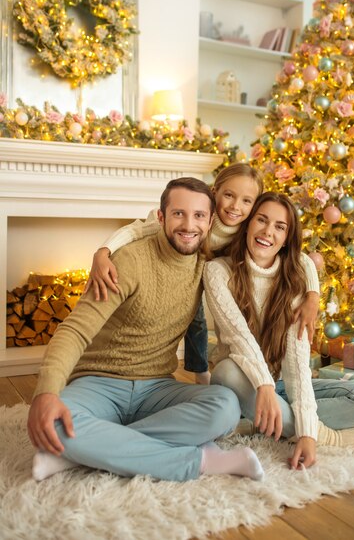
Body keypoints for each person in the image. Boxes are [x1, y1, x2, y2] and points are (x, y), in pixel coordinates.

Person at [27, 177, 264, 483]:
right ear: (161, 217)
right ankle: (203, 460)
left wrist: (310, 282)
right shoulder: (128, 260)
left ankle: (77, 455)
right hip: (99, 382)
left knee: (225, 406)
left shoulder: (206, 267)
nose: (188, 224)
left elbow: (274, 253)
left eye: (199, 216)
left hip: (157, 388)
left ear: (209, 223)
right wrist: (45, 392)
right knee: (56, 424)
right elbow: (75, 330)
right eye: (179, 214)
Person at [84, 164, 319, 385]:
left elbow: (300, 257)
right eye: (228, 195)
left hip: (210, 275)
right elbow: (138, 229)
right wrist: (103, 252)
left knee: (205, 319)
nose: (235, 206)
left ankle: (205, 371)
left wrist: (312, 295)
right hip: (181, 269)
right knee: (188, 316)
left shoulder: (246, 227)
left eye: (246, 201)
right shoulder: (197, 214)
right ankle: (187, 369)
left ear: (254, 205)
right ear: (215, 192)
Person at [203, 192, 354, 470]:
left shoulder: (294, 278)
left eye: (280, 227)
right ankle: (329, 438)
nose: (268, 232)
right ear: (248, 224)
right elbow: (239, 339)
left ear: (288, 238)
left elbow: (297, 363)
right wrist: (308, 433)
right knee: (226, 371)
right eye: (261, 220)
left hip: (280, 385)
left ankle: (258, 424)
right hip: (243, 385)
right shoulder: (218, 271)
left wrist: (298, 418)